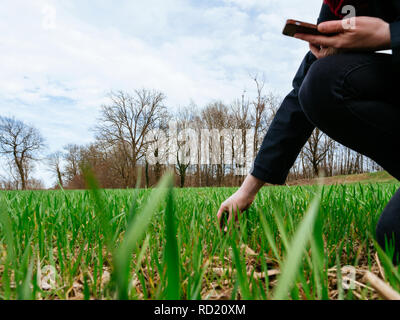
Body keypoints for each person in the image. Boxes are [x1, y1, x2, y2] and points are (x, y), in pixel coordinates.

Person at [217, 0, 400, 264]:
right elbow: (302, 93)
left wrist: (389, 35)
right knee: (392, 238)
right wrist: (247, 190)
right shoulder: (338, 7)